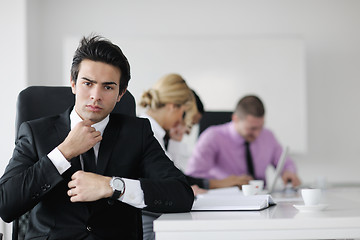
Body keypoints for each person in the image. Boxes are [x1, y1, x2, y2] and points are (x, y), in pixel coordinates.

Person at [0, 35, 193, 240]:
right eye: (88, 83)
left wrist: (112, 186)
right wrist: (64, 152)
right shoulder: (35, 133)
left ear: (121, 93)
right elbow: (5, 205)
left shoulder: (137, 133)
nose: (96, 95)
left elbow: (181, 194)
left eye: (108, 87)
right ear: (73, 84)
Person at [139, 74, 252, 240]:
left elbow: (172, 176)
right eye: (184, 114)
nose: (184, 123)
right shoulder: (147, 132)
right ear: (172, 107)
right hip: (151, 219)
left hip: (157, 217)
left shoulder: (155, 132)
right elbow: (169, 182)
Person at [186, 95, 301, 188]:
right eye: (252, 128)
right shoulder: (212, 137)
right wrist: (227, 182)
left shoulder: (267, 135)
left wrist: (288, 172)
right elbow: (193, 176)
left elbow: (286, 163)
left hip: (262, 198)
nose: (257, 134)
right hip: (226, 201)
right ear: (235, 119)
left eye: (260, 127)